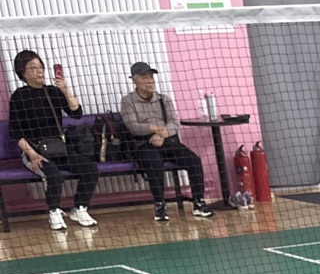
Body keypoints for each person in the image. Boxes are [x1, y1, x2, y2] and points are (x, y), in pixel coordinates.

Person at [7, 49, 98, 231]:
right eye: (33, 67)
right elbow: (15, 132)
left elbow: (76, 113)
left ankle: (80, 208)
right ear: (22, 72)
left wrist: (65, 90)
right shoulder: (18, 96)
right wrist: (32, 155)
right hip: (34, 150)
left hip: (59, 148)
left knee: (90, 169)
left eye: (41, 66)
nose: (39, 71)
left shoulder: (52, 92)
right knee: (53, 175)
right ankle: (54, 211)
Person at [119, 63, 214, 222]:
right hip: (144, 144)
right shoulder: (128, 101)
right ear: (134, 80)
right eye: (144, 78)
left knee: (194, 161)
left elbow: (174, 123)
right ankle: (159, 205)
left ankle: (198, 202)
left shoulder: (164, 99)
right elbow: (133, 126)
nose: (150, 81)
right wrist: (155, 129)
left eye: (151, 77)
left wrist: (161, 135)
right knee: (154, 164)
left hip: (168, 141)